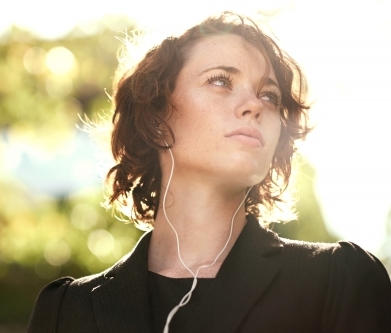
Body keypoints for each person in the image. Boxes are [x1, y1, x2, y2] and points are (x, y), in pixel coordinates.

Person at [27, 12, 391, 333]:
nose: (254, 105)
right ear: (156, 117)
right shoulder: (67, 310)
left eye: (270, 96)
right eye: (221, 80)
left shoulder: (338, 280)